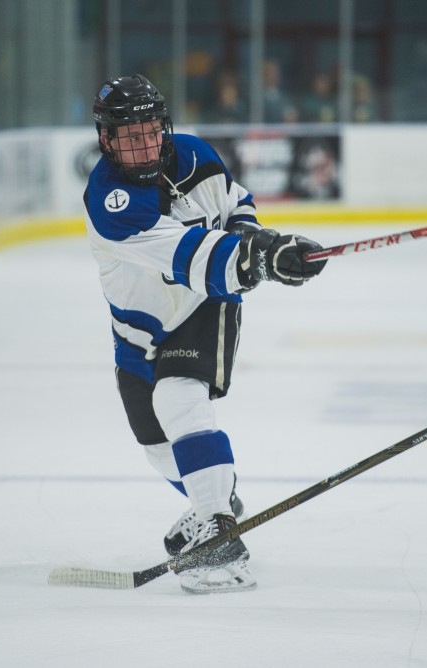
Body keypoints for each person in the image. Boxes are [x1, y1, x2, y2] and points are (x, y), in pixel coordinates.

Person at [84, 74, 327, 593]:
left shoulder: (196, 156)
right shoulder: (111, 201)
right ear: (106, 140)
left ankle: (218, 534)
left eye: (150, 130)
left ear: (164, 126)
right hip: (137, 328)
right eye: (129, 136)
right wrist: (258, 257)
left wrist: (258, 240)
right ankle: (212, 496)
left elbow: (237, 204)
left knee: (178, 397)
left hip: (204, 305)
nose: (143, 144)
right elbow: (184, 257)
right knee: (154, 443)